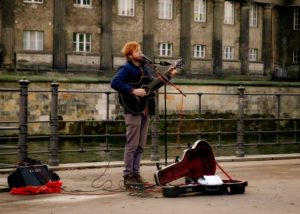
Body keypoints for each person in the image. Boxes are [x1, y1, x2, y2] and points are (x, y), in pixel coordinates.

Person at [110, 41, 177, 189]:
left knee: (140, 145)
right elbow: (114, 83)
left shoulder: (145, 68)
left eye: (140, 50)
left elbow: (151, 86)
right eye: (137, 51)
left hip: (145, 109)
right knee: (132, 145)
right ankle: (128, 176)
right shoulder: (126, 68)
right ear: (130, 54)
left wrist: (168, 76)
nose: (140, 53)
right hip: (133, 109)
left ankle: (136, 173)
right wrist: (132, 91)